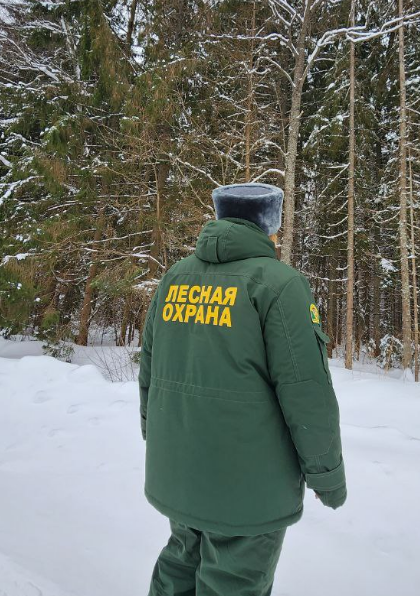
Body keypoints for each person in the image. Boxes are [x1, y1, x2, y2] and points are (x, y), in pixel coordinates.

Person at [138, 182, 346, 596]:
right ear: (271, 225)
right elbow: (307, 392)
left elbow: (149, 367)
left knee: (179, 568)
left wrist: (155, 435)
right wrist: (328, 477)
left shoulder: (175, 277)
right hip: (249, 487)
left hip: (179, 469)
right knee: (232, 584)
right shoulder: (279, 284)